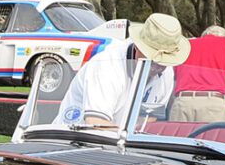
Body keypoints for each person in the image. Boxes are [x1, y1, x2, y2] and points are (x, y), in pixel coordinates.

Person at [51, 13, 187, 131]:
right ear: (138, 46)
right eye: (152, 59)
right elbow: (96, 123)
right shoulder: (107, 65)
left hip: (118, 144)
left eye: (163, 62)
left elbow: (149, 118)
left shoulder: (166, 73)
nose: (158, 66)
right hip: (72, 140)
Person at [169, 25, 225, 127]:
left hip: (182, 103)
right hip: (213, 105)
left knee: (179, 141)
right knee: (214, 141)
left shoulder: (185, 46)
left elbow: (172, 79)